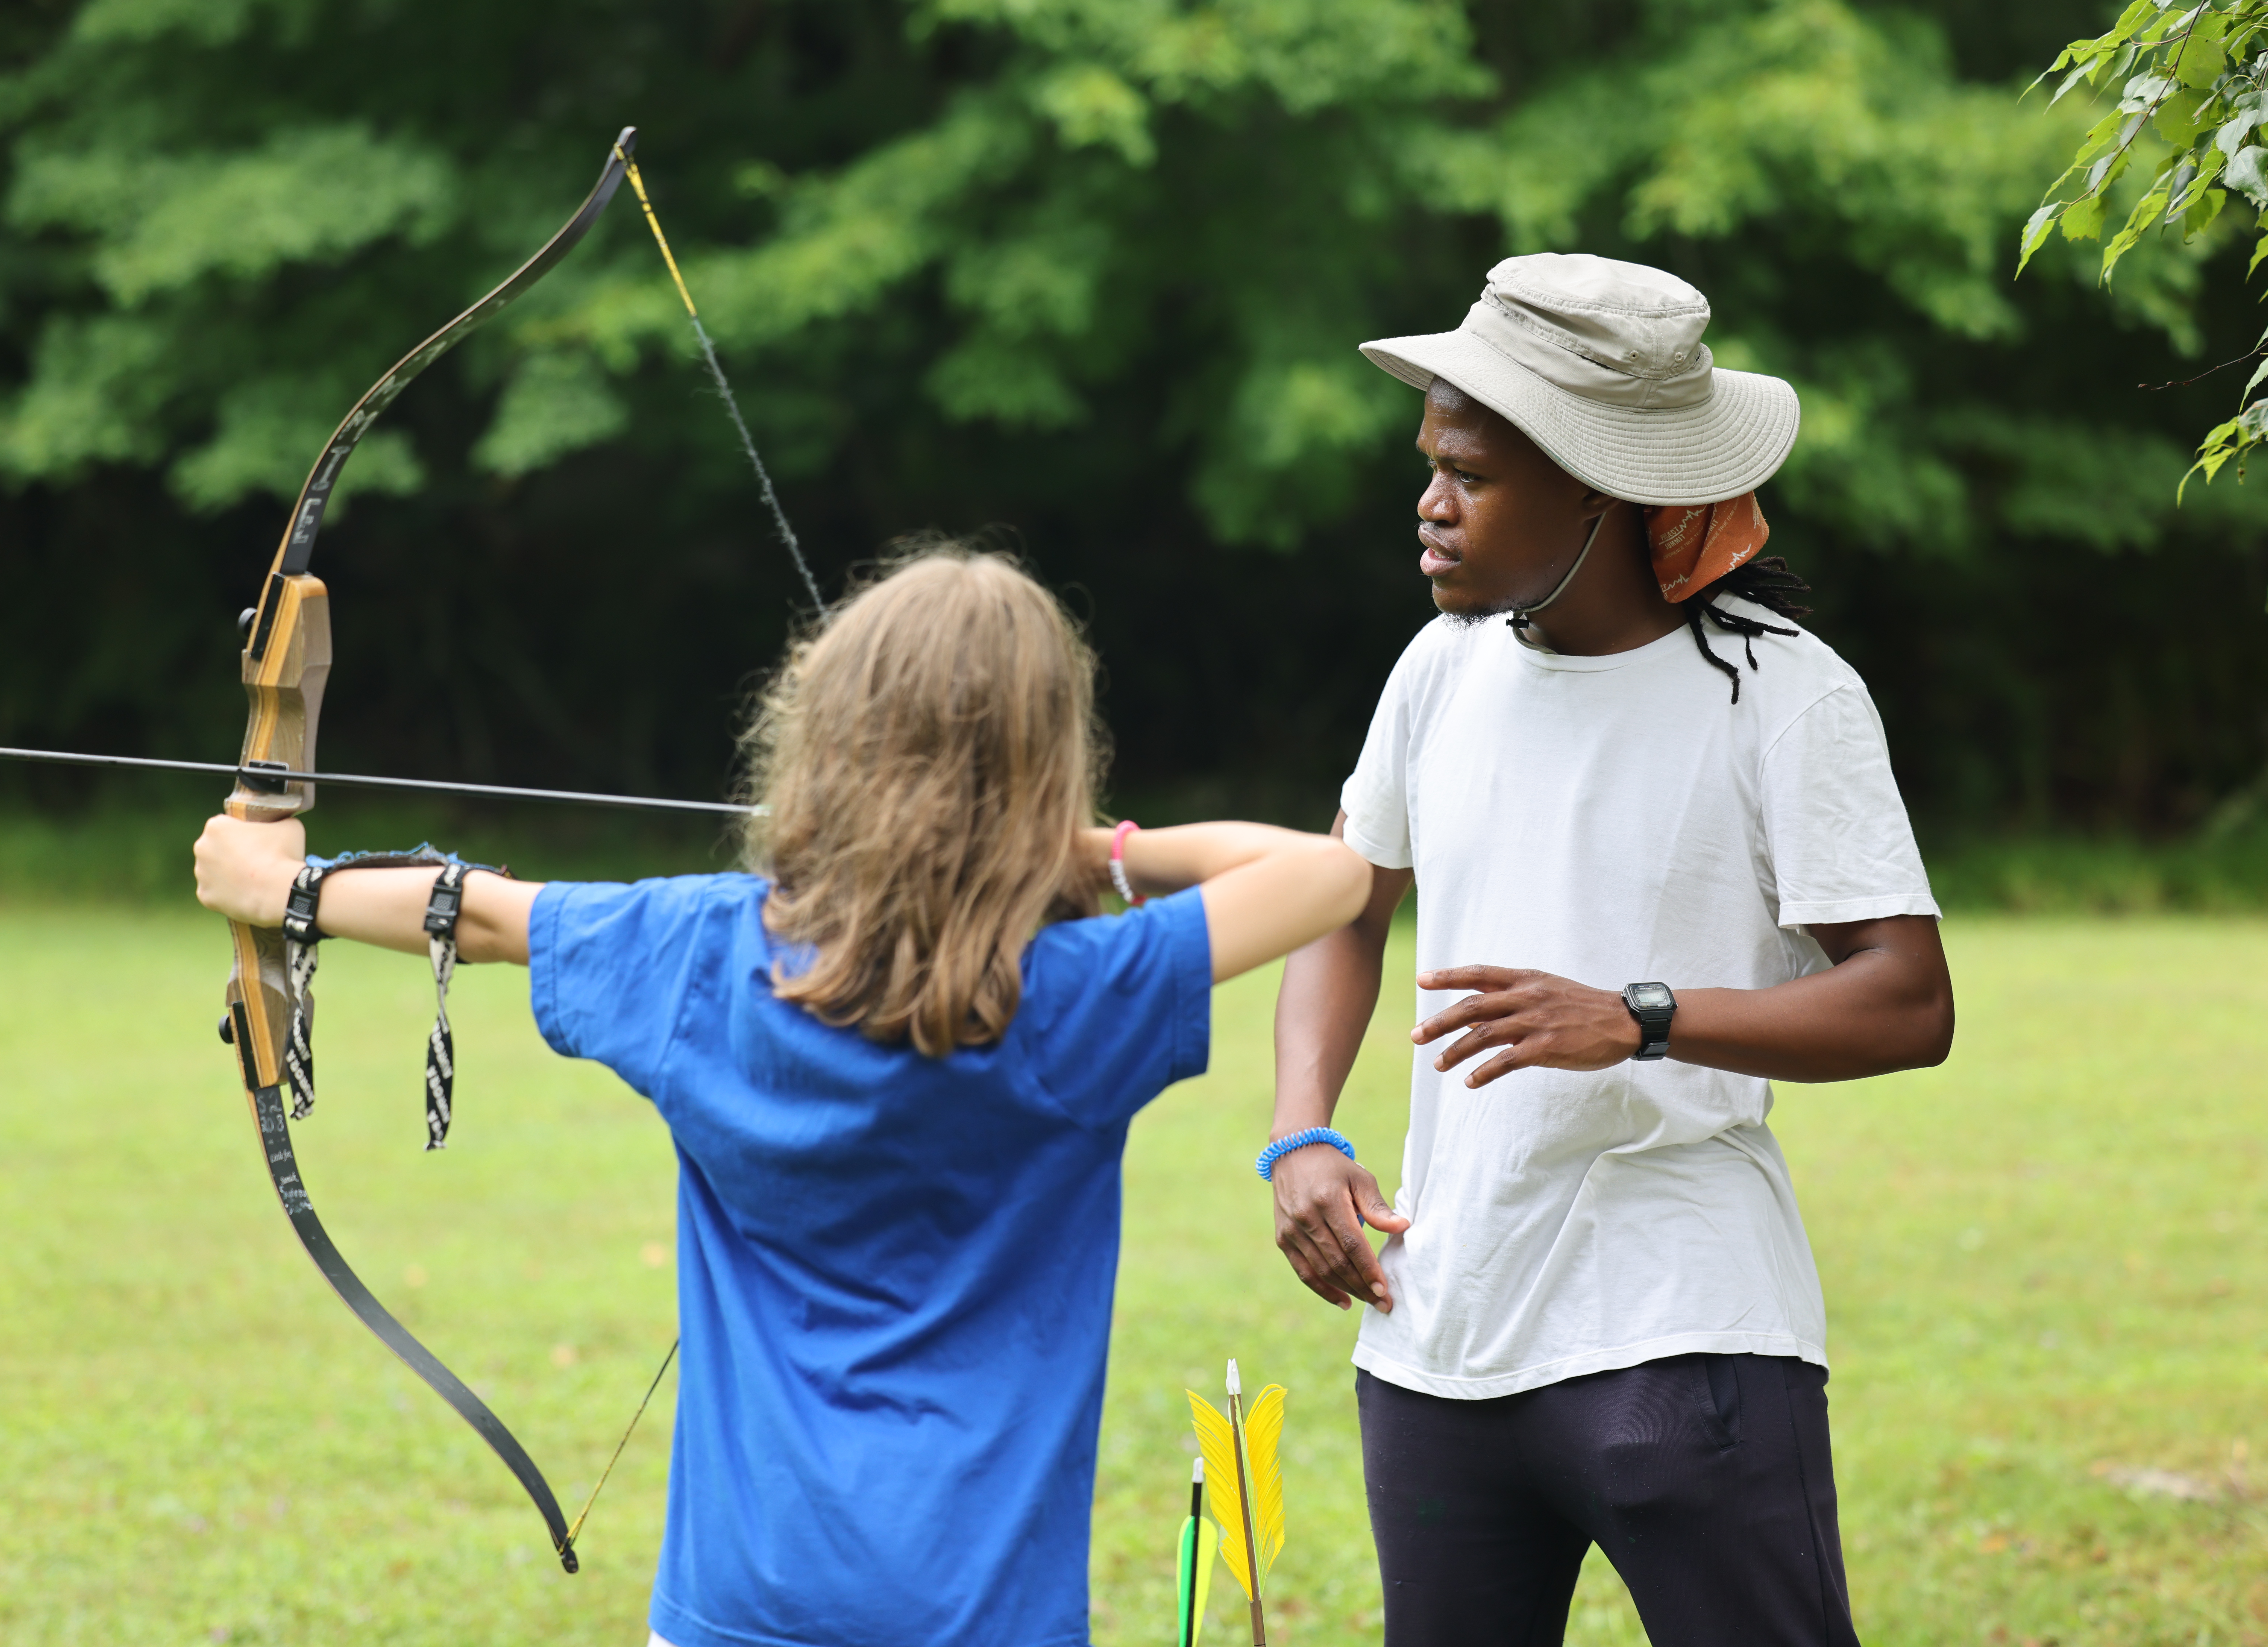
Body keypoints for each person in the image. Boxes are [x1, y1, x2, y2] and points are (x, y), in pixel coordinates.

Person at [193, 548, 1370, 1647]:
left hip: (740, 1602)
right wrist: (1085, 847)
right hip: (985, 1610)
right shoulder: (1078, 995)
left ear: (824, 736)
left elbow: (485, 913)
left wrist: (281, 881)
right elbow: (1331, 873)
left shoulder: (700, 952)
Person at [1262, 254, 1954, 1647]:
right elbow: (1346, 899)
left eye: (1471, 473)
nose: (1429, 502)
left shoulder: (1783, 695)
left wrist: (1638, 1016)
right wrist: (1299, 1135)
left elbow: (1906, 1001)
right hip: (1437, 1333)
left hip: (1684, 1333)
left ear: (1596, 483)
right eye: (1430, 463)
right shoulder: (1436, 670)